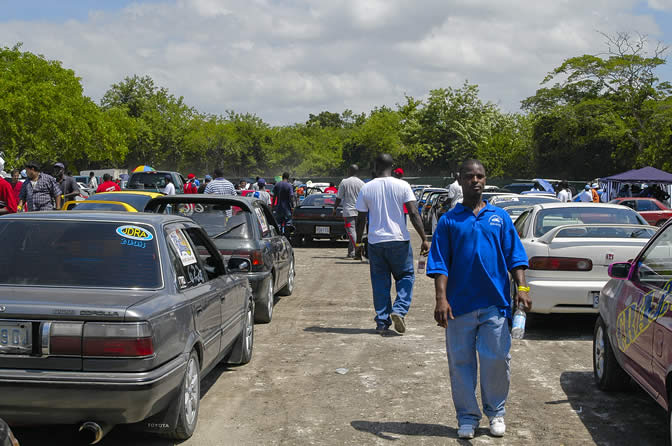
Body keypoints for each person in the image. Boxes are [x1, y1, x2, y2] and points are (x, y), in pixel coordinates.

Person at [428, 159, 530, 439]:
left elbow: (516, 258)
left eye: (480, 176)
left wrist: (522, 291)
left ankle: (496, 413)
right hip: (458, 307)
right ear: (459, 180)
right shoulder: (449, 220)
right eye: (469, 176)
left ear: (485, 180)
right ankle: (467, 417)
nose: (475, 180)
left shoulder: (500, 217)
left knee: (496, 360)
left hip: (495, 305)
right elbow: (439, 264)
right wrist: (441, 299)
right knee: (460, 363)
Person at [355, 154, 430, 335]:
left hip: (376, 242)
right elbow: (413, 212)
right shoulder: (402, 185)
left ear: (375, 166)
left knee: (380, 282)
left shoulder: (366, 188)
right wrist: (424, 238)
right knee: (405, 276)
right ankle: (399, 309)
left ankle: (382, 321)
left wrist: (358, 243)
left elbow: (360, 219)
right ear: (392, 166)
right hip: (399, 241)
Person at [333, 165, 365, 259]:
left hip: (348, 212)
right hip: (360, 211)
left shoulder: (344, 182)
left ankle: (359, 252)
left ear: (349, 171)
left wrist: (335, 208)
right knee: (356, 232)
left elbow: (339, 197)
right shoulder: (362, 183)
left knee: (351, 232)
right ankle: (352, 252)